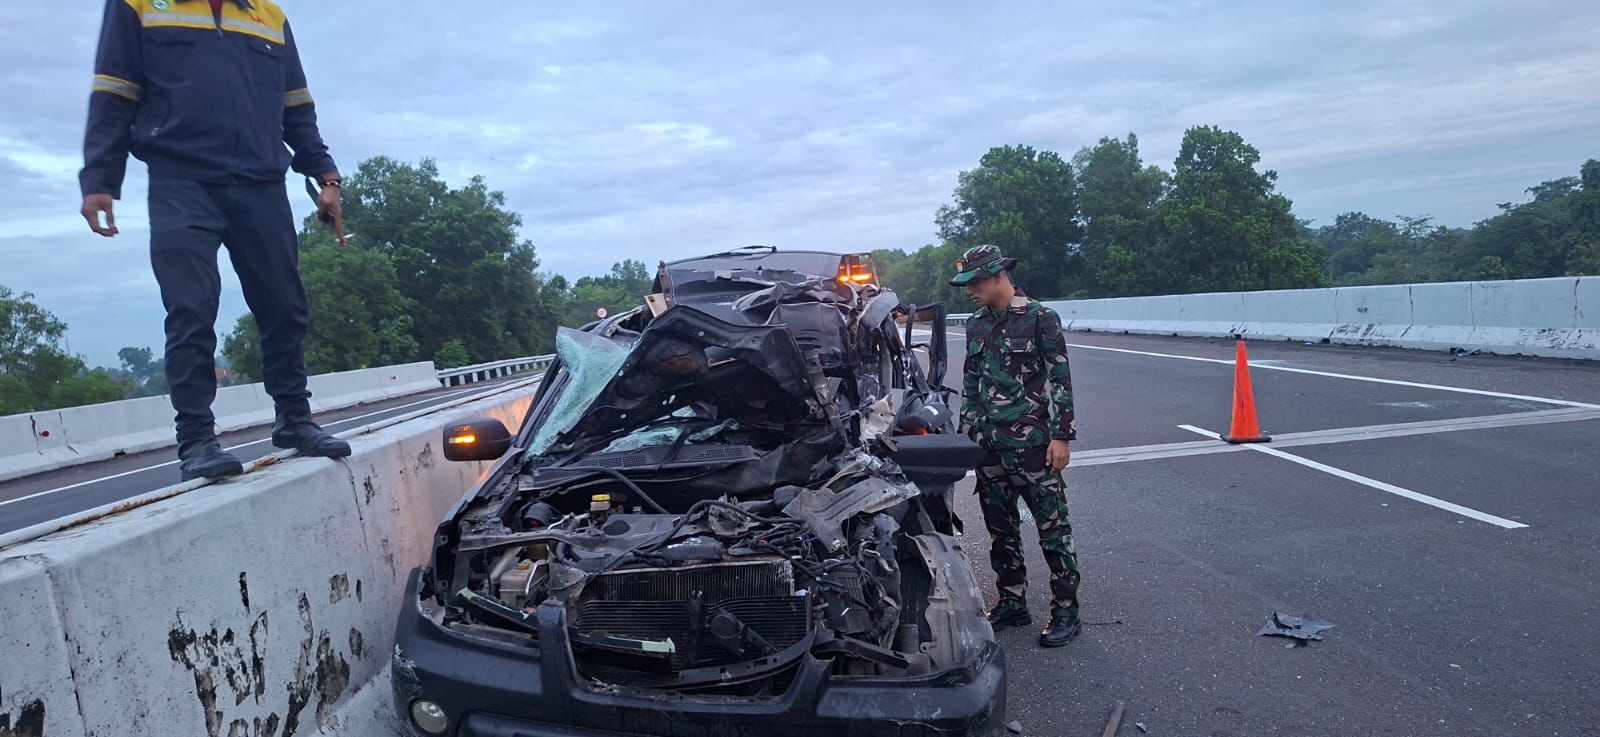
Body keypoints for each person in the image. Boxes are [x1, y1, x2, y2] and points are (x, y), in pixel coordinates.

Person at [79, 0, 351, 480]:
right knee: (191, 308)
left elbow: (297, 107)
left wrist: (327, 177)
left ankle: (294, 419)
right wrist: (100, 179)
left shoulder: (268, 16)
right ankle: (198, 441)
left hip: (261, 183)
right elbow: (114, 92)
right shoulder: (138, 5)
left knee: (285, 307)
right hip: (180, 181)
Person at [950, 244, 1082, 648]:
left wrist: (1062, 436)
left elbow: (1060, 379)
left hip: (1034, 445)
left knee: (1052, 531)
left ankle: (1065, 610)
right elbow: (971, 383)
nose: (969, 290)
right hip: (990, 447)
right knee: (1000, 531)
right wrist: (965, 432)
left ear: (997, 277)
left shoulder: (1041, 318)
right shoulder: (975, 324)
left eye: (975, 282)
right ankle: (1012, 601)